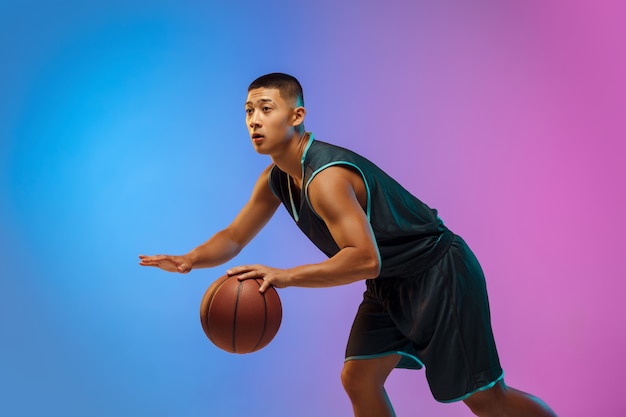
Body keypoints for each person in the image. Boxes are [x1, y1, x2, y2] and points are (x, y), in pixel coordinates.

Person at [139, 73, 557, 417]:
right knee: (358, 378)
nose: (254, 120)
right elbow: (234, 236)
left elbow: (364, 259)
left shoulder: (326, 178)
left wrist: (283, 277)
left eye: (267, 109)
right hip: (391, 284)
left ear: (296, 115)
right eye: (248, 111)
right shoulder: (277, 180)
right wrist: (190, 259)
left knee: (485, 399)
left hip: (437, 272)